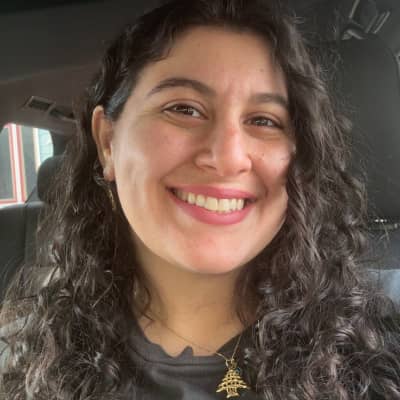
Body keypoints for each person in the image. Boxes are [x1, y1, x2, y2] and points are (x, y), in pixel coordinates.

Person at [1, 0, 400, 398]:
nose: (227, 157)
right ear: (108, 142)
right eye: (184, 109)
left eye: (264, 121)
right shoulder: (25, 362)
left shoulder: (384, 336)